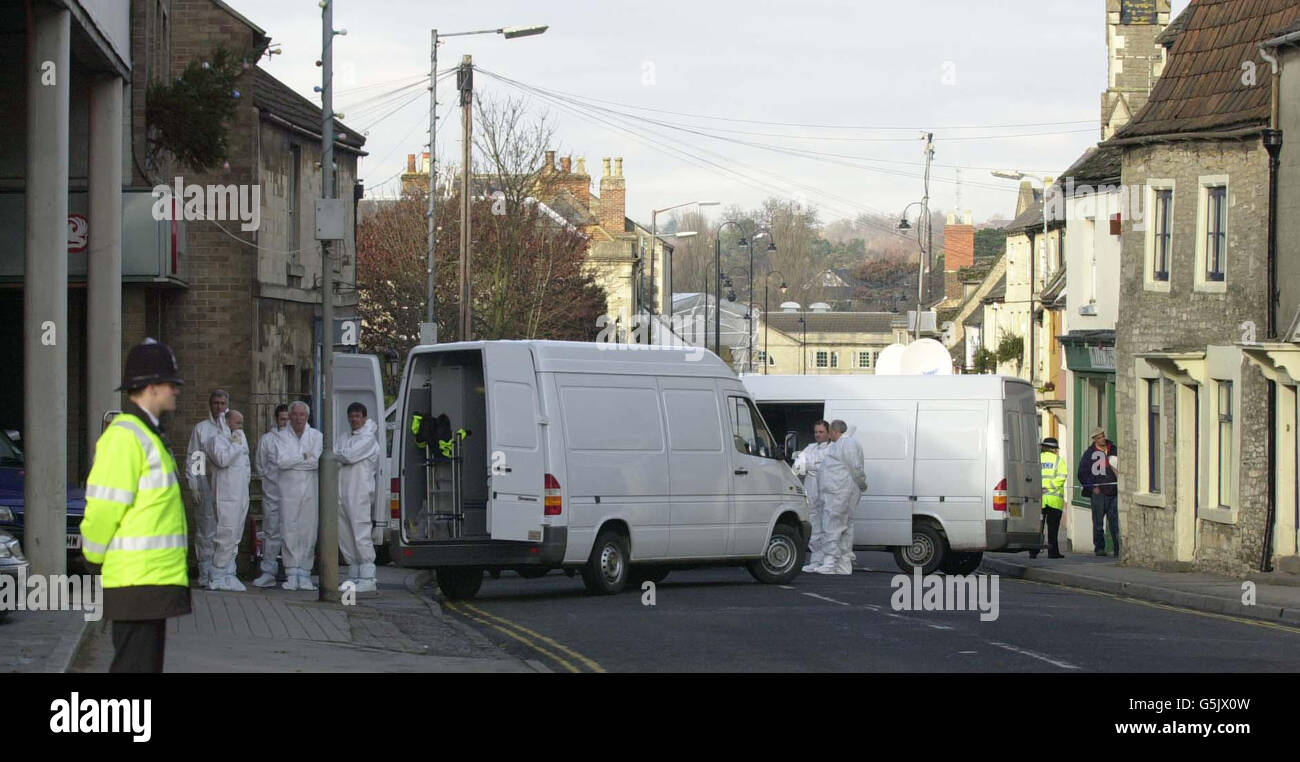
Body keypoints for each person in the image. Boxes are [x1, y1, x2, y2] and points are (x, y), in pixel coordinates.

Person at [80, 339, 191, 672]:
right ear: (151, 387)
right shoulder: (126, 437)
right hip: (137, 583)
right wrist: (93, 557)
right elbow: (103, 508)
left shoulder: (145, 434)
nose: (177, 390)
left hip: (147, 583)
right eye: (171, 383)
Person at [272, 401, 322, 590]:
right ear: (290, 416)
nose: (298, 418)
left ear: (307, 417)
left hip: (310, 490)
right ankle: (291, 573)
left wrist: (297, 460)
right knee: (289, 530)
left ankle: (305, 573)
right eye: (295, 415)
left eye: (302, 415)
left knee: (308, 531)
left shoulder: (316, 436)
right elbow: (281, 462)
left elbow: (317, 462)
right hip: (289, 491)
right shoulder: (281, 436)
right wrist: (303, 457)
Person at [186, 389, 229, 587]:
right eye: (216, 403)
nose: (219, 407)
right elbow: (195, 456)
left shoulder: (231, 426)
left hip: (227, 485)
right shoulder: (201, 429)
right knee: (206, 528)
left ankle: (222, 572)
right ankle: (204, 572)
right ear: (210, 405)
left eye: (222, 403)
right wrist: (194, 484)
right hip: (206, 482)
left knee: (226, 528)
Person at [336, 402, 380, 593]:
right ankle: (354, 573)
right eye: (351, 416)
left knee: (360, 530)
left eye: (357, 416)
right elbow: (336, 454)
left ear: (364, 417)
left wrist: (339, 455)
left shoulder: (368, 439)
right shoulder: (345, 437)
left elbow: (349, 456)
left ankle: (368, 576)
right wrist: (339, 455)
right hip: (342, 490)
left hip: (359, 491)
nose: (354, 420)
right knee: (345, 532)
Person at [205, 409, 251, 591]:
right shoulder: (216, 440)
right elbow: (222, 460)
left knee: (235, 535)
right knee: (226, 533)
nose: (241, 427)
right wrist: (235, 445)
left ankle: (229, 572)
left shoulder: (239, 439)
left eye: (242, 423)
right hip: (225, 494)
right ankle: (217, 574)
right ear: (228, 422)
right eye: (238, 423)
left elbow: (245, 462)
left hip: (240, 493)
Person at [815, 419, 868, 575]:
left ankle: (830, 562)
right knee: (844, 528)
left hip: (839, 492)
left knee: (832, 526)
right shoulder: (845, 444)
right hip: (839, 491)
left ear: (833, 431)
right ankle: (843, 565)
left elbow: (855, 467)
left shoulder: (847, 444)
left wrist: (862, 483)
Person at [253, 404, 289, 588]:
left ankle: (294, 572)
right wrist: (269, 482)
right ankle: (268, 572)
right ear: (276, 419)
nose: (285, 422)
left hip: (292, 495)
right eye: (282, 419)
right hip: (272, 493)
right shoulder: (267, 440)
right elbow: (260, 465)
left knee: (292, 534)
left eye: (287, 419)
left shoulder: (295, 439)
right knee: (271, 533)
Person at [793, 420, 832, 572]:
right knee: (814, 525)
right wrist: (811, 465)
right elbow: (797, 467)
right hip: (811, 490)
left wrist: (810, 465)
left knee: (828, 526)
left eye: (821, 432)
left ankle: (829, 560)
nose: (817, 435)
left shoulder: (834, 449)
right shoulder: (810, 448)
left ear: (828, 433)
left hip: (828, 491)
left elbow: (828, 467)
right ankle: (816, 559)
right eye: (816, 432)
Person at [1078, 426, 1119, 557]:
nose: (1102, 439)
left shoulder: (1113, 450)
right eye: (1099, 437)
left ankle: (1118, 548)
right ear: (1094, 440)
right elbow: (1082, 473)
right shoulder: (1089, 454)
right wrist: (1092, 487)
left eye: (1103, 435)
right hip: (1099, 493)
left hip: (1114, 491)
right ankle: (1099, 548)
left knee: (1115, 522)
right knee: (1098, 523)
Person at [1035, 437, 1068, 559]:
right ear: (1054, 449)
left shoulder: (1037, 460)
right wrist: (1049, 487)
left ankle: (1034, 552)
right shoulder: (1059, 461)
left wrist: (1042, 487)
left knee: (1038, 527)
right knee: (1053, 529)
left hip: (1039, 499)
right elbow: (1062, 477)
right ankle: (1053, 552)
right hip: (1054, 500)